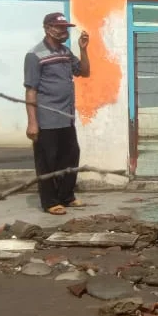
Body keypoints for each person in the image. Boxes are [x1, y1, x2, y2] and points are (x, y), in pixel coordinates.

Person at [24, 12, 91, 215]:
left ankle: (66, 196)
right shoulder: (35, 55)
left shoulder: (65, 52)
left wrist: (83, 49)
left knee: (70, 157)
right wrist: (32, 123)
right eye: (60, 28)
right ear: (47, 28)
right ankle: (50, 201)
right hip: (46, 118)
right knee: (47, 162)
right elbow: (31, 91)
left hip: (66, 117)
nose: (64, 31)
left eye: (66, 28)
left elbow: (85, 72)